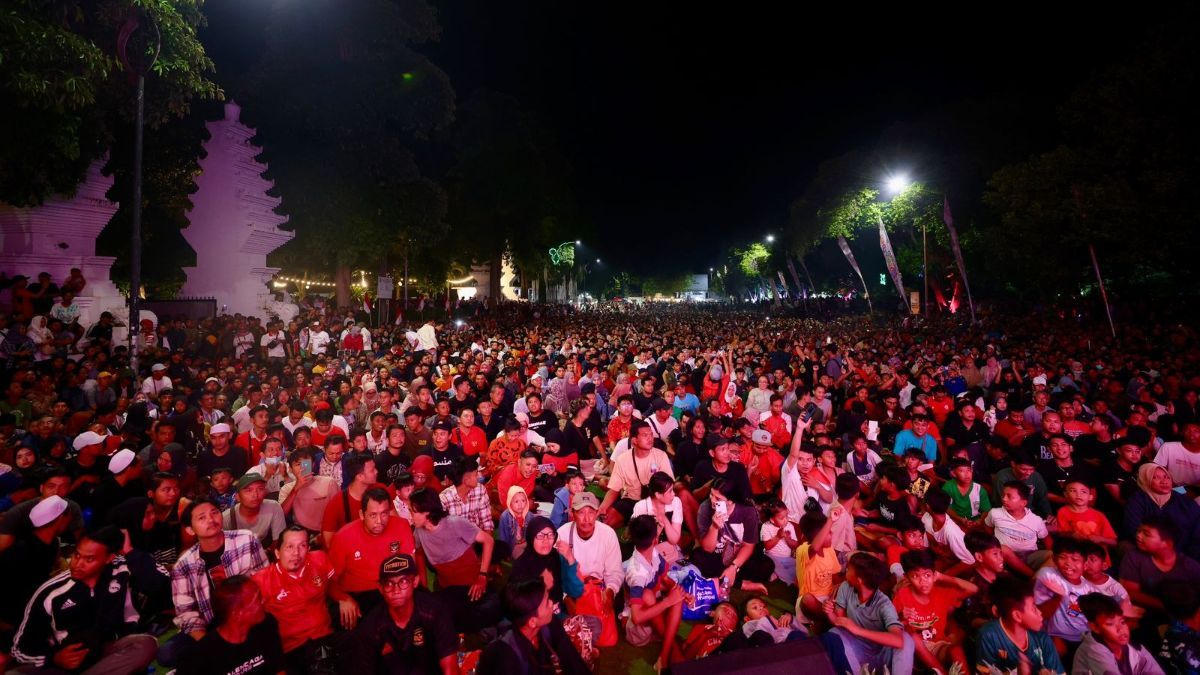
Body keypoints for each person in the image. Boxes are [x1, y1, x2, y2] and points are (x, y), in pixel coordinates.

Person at [8, 526, 160, 674]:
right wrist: (54, 658)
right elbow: (18, 647)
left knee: (146, 644)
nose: (77, 564)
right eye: (77, 555)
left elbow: (159, 586)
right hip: (61, 663)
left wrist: (128, 551)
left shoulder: (121, 572)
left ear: (109, 558)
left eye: (89, 559)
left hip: (105, 653)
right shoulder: (51, 592)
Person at [163, 497, 270, 667]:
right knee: (167, 653)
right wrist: (211, 644)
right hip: (212, 626)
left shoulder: (247, 540)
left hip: (250, 617)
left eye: (214, 513)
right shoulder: (183, 565)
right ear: (190, 530)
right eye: (202, 517)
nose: (211, 520)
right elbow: (186, 612)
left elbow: (265, 581)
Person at [346, 554, 459, 675]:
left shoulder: (435, 611)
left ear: (415, 581)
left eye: (403, 581)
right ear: (380, 588)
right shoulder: (371, 627)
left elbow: (450, 667)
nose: (396, 590)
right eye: (388, 584)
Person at [409, 487, 501, 632]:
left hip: (472, 585)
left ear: (426, 512)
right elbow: (419, 553)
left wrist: (482, 576)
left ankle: (490, 572)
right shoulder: (419, 532)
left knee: (490, 609)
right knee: (434, 616)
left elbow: (488, 540)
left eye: (413, 512)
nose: (410, 516)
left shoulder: (454, 523)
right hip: (449, 589)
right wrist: (424, 585)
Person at [252, 525, 339, 672]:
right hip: (292, 649)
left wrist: (344, 599)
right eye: (289, 547)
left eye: (302, 546)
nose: (296, 553)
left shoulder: (319, 559)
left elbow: (333, 586)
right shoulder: (261, 581)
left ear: (308, 549)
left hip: (325, 636)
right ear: (277, 553)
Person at [329, 487, 418, 625]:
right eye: (373, 515)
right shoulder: (343, 537)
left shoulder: (401, 525)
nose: (379, 521)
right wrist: (343, 598)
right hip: (360, 594)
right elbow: (329, 581)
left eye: (384, 513)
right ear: (361, 514)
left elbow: (411, 568)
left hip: (395, 587)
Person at [818, 553, 914, 675]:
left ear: (859, 580)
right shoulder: (845, 587)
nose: (845, 571)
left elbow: (898, 641)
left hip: (882, 655)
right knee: (834, 634)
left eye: (848, 569)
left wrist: (858, 630)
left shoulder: (884, 604)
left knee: (906, 639)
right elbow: (839, 622)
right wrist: (829, 612)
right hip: (856, 650)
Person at [477, 577, 591, 675]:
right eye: (547, 603)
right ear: (532, 622)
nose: (552, 603)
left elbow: (572, 660)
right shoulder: (508, 657)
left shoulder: (549, 624)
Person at [177, 575, 286, 675]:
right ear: (237, 613)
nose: (264, 601)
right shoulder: (201, 656)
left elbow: (278, 669)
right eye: (257, 599)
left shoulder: (267, 626)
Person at [892, 549, 975, 675]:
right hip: (913, 652)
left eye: (927, 575)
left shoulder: (941, 592)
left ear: (934, 575)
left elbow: (972, 589)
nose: (922, 581)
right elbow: (892, 627)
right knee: (913, 637)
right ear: (907, 577)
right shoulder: (902, 595)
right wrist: (901, 618)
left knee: (956, 650)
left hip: (937, 647)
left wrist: (942, 577)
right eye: (915, 576)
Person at [622, 514, 686, 668]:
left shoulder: (654, 553)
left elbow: (666, 579)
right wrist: (668, 601)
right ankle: (672, 648)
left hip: (655, 615)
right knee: (648, 595)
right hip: (637, 630)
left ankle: (664, 656)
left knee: (677, 595)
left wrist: (680, 593)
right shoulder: (636, 573)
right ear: (655, 540)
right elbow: (637, 618)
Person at [693, 477, 772, 593]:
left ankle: (726, 578)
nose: (712, 500)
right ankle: (742, 584)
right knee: (698, 559)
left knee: (767, 566)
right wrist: (714, 527)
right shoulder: (705, 508)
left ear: (730, 501)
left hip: (738, 555)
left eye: (718, 498)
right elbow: (708, 548)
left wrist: (734, 567)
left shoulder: (747, 511)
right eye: (711, 494)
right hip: (716, 556)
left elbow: (748, 546)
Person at [974, 576, 1065, 674]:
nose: (1040, 613)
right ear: (1017, 616)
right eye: (1034, 608)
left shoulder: (1042, 637)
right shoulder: (989, 636)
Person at [1072, 592, 1164, 675]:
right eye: (1110, 624)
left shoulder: (1135, 648)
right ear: (1094, 627)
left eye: (1122, 622)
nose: (1120, 629)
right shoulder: (1093, 650)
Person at [1124, 462, 1200, 560]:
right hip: (1152, 550)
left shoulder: (1184, 502)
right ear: (1146, 479)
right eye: (1156, 477)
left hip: (1187, 552)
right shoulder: (1138, 500)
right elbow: (1133, 528)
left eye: (1166, 477)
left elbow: (1197, 529)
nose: (1164, 481)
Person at [222, 471, 287, 549]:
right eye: (248, 490)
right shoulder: (226, 518)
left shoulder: (274, 507)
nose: (255, 495)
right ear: (237, 497)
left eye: (260, 489)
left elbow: (279, 540)